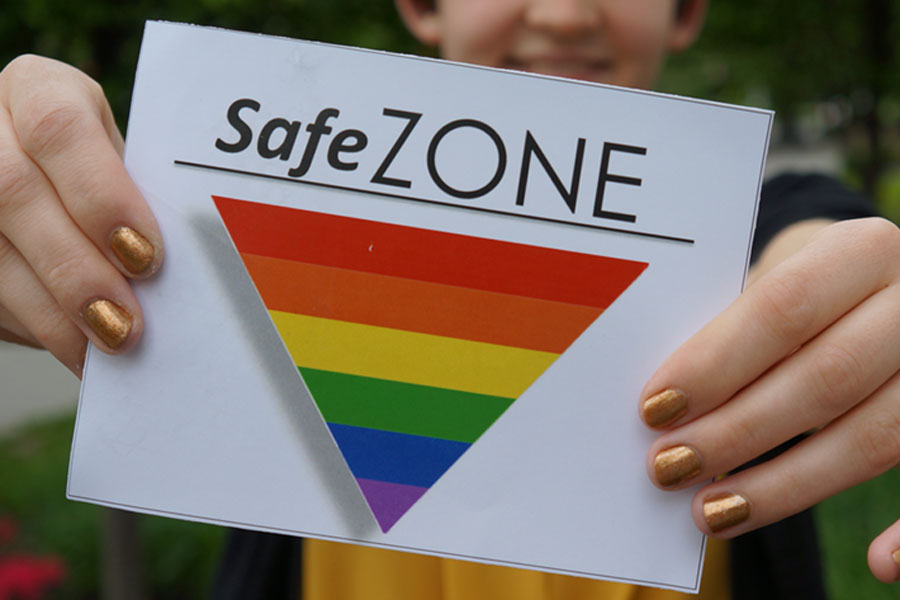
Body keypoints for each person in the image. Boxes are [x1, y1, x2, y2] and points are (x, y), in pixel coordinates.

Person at [1, 0, 898, 597]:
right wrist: (43, 204)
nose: (561, 11)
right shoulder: (247, 196)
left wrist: (855, 306)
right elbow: (113, 226)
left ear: (689, 8)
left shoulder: (764, 223)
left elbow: (817, 254)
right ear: (423, 4)